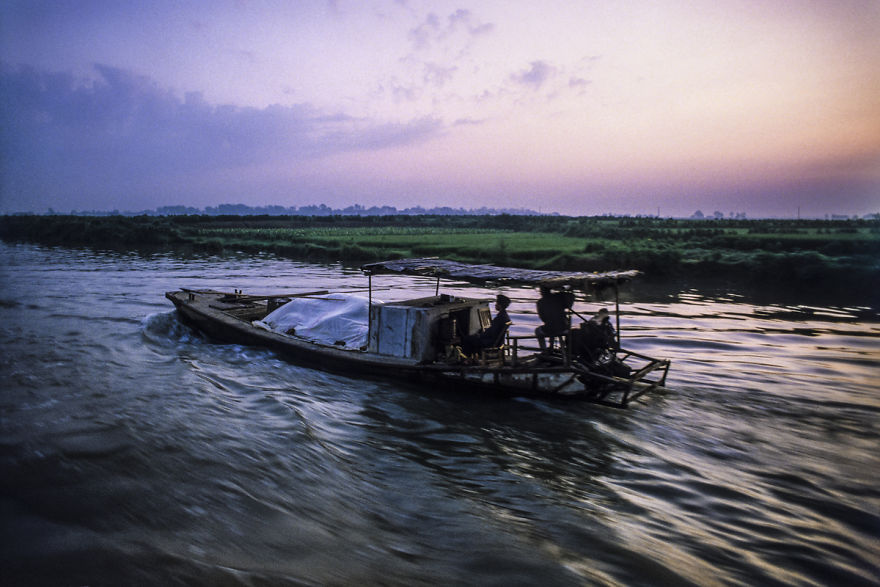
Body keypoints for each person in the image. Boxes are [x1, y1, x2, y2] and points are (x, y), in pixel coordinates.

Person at [534, 286, 575, 350]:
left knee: (538, 331)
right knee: (552, 325)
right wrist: (563, 291)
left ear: (541, 292)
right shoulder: (558, 298)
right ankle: (555, 347)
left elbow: (543, 318)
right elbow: (570, 298)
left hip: (551, 328)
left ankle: (544, 350)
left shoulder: (540, 302)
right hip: (564, 328)